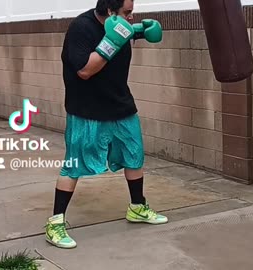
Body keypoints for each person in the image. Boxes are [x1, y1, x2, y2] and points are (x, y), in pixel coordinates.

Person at [44, 0, 167, 249]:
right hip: (86, 110)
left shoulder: (121, 25)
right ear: (110, 12)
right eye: (127, 13)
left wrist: (143, 29)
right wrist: (112, 41)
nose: (131, 17)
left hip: (120, 104)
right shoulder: (81, 28)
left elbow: (128, 31)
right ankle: (55, 223)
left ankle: (137, 207)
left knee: (134, 157)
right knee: (74, 165)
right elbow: (85, 71)